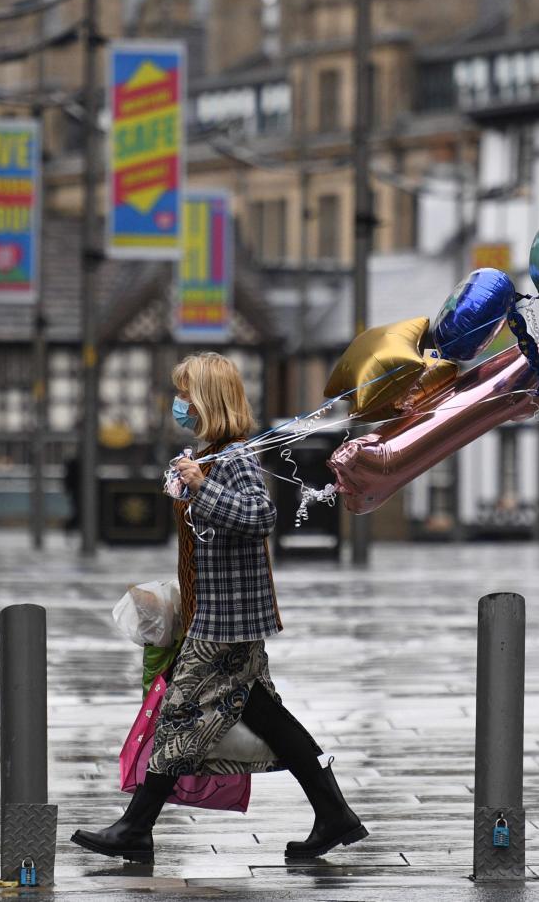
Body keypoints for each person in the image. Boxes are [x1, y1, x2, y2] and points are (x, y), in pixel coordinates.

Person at [72, 352, 367, 863]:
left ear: (207, 400)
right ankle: (334, 813)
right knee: (269, 718)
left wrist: (202, 487)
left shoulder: (233, 459)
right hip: (218, 614)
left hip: (226, 622)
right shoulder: (210, 454)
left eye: (186, 394)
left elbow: (260, 516)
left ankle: (136, 828)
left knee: (178, 709)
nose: (179, 404)